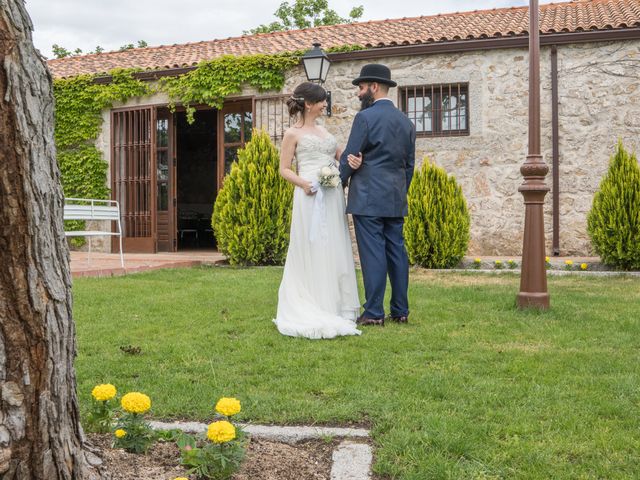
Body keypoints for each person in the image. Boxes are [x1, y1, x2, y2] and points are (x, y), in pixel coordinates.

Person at [273, 82, 362, 339]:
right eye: (322, 101)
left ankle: (336, 303)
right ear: (309, 104)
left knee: (333, 242)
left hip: (332, 193)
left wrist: (350, 160)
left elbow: (339, 155)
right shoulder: (292, 134)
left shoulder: (324, 130)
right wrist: (304, 183)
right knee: (312, 244)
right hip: (309, 195)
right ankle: (313, 302)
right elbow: (284, 168)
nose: (325, 104)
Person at [339, 64, 416, 327]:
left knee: (373, 254)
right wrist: (398, 192)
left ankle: (373, 312)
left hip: (368, 198)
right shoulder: (406, 122)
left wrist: (337, 184)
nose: (358, 94)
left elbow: (351, 156)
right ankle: (401, 310)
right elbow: (409, 166)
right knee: (396, 252)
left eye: (361, 88)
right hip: (395, 198)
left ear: (373, 87)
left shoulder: (365, 119)